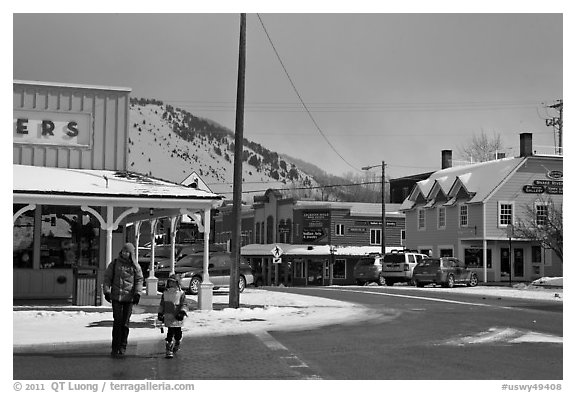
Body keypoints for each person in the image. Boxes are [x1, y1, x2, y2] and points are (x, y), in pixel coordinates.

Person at [103, 242, 144, 358]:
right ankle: (115, 347)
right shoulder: (115, 263)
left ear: (131, 254)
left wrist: (137, 293)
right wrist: (107, 291)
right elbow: (107, 278)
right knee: (117, 321)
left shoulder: (135, 266)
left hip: (129, 298)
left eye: (127, 252)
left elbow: (139, 280)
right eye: (124, 251)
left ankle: (123, 346)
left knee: (125, 323)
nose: (125, 253)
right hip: (116, 297)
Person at [157, 274, 188, 359]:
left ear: (177, 283)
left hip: (177, 316)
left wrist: (182, 312)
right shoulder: (165, 293)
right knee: (170, 332)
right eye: (170, 282)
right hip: (168, 315)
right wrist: (160, 313)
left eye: (173, 282)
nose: (171, 284)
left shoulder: (181, 293)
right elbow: (162, 304)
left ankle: (177, 341)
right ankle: (169, 348)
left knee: (177, 332)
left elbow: (184, 304)